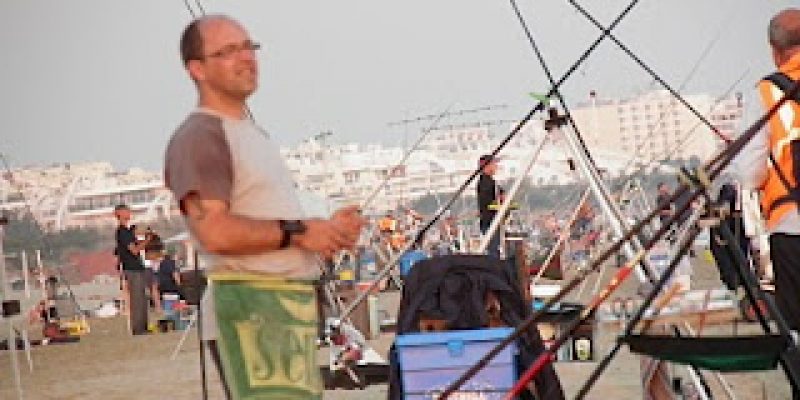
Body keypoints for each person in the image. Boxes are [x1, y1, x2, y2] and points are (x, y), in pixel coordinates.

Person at [164, 15, 364, 399]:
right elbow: (215, 232)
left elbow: (269, 224)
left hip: (283, 305)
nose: (245, 58)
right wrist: (300, 232)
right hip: (251, 308)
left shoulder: (248, 132)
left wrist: (324, 231)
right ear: (197, 68)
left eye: (248, 47)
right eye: (227, 51)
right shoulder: (201, 136)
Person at [737, 9, 800, 398]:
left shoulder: (766, 93)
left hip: (791, 226)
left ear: (775, 52)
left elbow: (749, 172)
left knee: (796, 326)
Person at [113, 204, 151, 335]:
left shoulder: (128, 231)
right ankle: (139, 328)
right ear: (119, 213)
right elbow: (134, 250)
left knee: (142, 298)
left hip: (137, 267)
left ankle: (143, 326)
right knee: (137, 299)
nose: (129, 213)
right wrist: (147, 241)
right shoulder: (122, 232)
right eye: (126, 211)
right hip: (131, 268)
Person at [477, 154, 502, 258]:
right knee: (493, 251)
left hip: (493, 221)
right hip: (490, 222)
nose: (496, 166)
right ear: (487, 166)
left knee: (495, 249)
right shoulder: (485, 183)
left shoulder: (491, 182)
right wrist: (499, 203)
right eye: (494, 163)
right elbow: (487, 203)